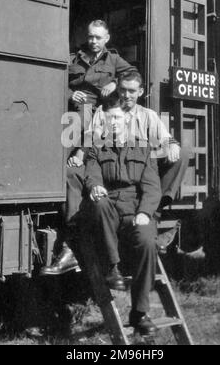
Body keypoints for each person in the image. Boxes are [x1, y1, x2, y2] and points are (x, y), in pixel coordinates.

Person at [40, 20, 134, 276]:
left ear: (107, 39)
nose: (93, 41)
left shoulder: (114, 61)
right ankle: (73, 232)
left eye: (98, 38)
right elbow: (53, 78)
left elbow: (134, 74)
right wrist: (71, 93)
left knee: (81, 149)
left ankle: (80, 155)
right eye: (90, 37)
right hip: (73, 112)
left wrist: (116, 84)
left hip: (98, 114)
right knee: (70, 168)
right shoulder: (73, 57)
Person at [81, 93, 162, 336]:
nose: (113, 123)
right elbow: (92, 174)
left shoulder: (143, 147)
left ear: (126, 119)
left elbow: (152, 186)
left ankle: (140, 312)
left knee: (147, 242)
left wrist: (146, 212)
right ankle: (113, 267)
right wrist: (94, 186)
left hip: (135, 208)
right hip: (109, 209)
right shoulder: (97, 148)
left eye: (117, 117)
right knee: (99, 203)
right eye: (108, 119)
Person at [92, 71, 190, 211]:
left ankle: (155, 206)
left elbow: (164, 137)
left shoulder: (148, 115)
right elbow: (93, 143)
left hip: (140, 165)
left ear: (141, 92)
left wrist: (172, 144)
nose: (126, 95)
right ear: (117, 89)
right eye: (123, 90)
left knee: (181, 154)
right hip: (112, 166)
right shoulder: (103, 112)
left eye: (132, 91)